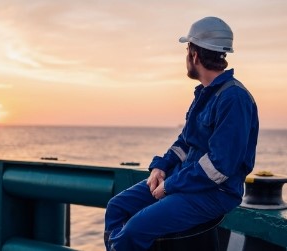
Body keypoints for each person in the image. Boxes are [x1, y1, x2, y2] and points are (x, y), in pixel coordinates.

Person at [104, 16, 259, 251]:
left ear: (194, 54)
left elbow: (220, 167)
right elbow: (185, 143)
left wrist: (170, 185)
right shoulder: (205, 94)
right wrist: (161, 167)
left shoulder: (234, 98)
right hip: (186, 179)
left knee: (136, 228)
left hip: (215, 193)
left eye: (187, 49)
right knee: (117, 207)